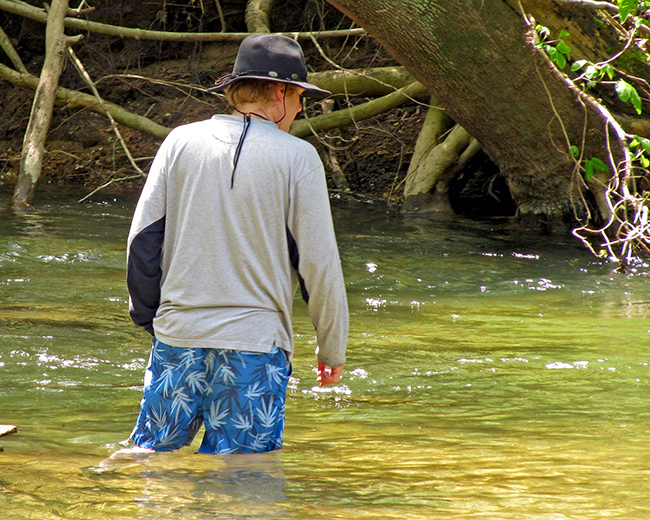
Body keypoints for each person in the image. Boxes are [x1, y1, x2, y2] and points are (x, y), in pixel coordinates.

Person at [125, 34, 348, 455]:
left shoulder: (179, 142)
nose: (301, 109)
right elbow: (318, 264)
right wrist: (331, 346)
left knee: (149, 458)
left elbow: (142, 242)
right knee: (246, 479)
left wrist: (153, 321)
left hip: (179, 336)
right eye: (301, 97)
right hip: (255, 348)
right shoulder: (299, 158)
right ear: (280, 91)